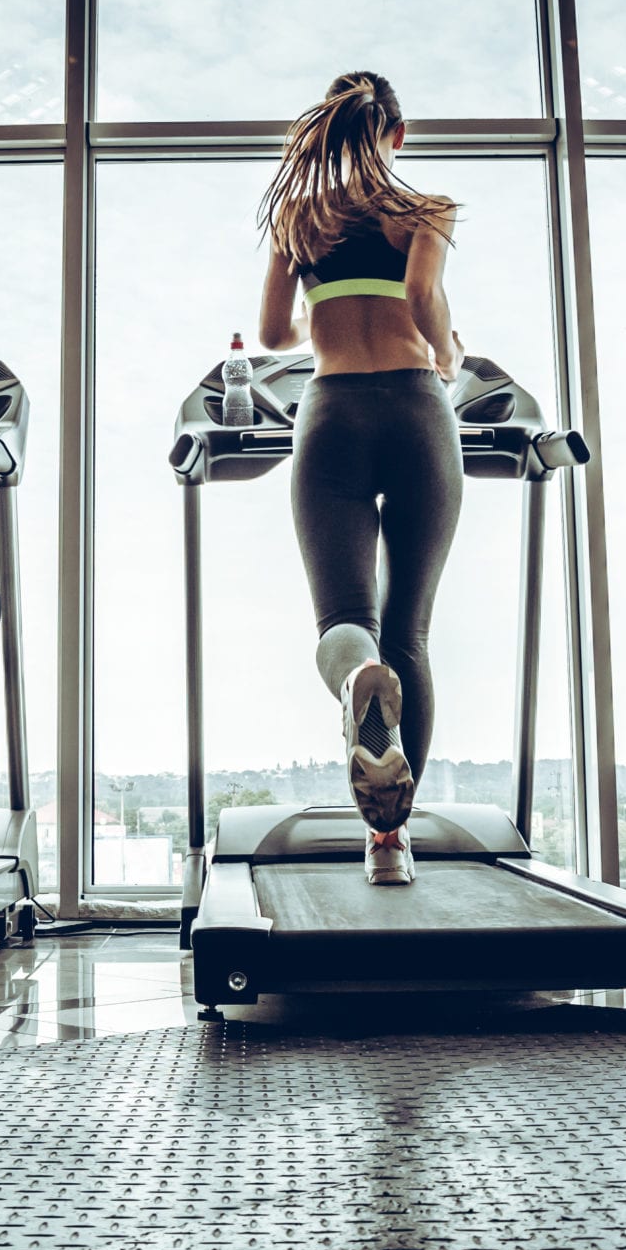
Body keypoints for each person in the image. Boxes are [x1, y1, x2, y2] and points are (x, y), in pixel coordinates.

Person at [254, 72, 463, 888]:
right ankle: (391, 844)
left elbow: (274, 334)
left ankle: (355, 685)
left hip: (332, 410)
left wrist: (324, 303)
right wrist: (445, 352)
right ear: (398, 138)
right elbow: (421, 294)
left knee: (347, 619)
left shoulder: (297, 218)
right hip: (417, 408)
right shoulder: (427, 210)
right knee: (410, 630)